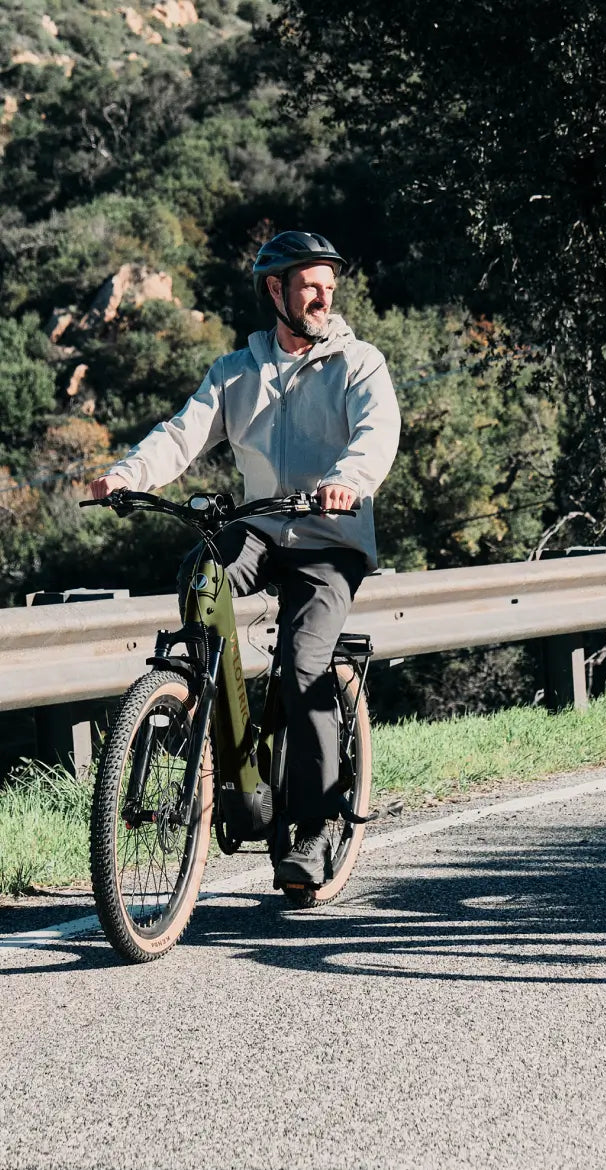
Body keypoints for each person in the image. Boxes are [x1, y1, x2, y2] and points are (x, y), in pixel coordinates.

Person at [90, 230, 401, 885]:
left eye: (328, 287)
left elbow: (376, 434)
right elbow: (180, 434)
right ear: (275, 289)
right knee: (199, 574)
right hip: (260, 527)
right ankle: (206, 712)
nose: (322, 297)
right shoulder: (237, 371)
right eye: (309, 285)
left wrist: (348, 480)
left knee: (303, 664)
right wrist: (127, 475)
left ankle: (318, 827)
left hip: (330, 536)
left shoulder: (358, 363)